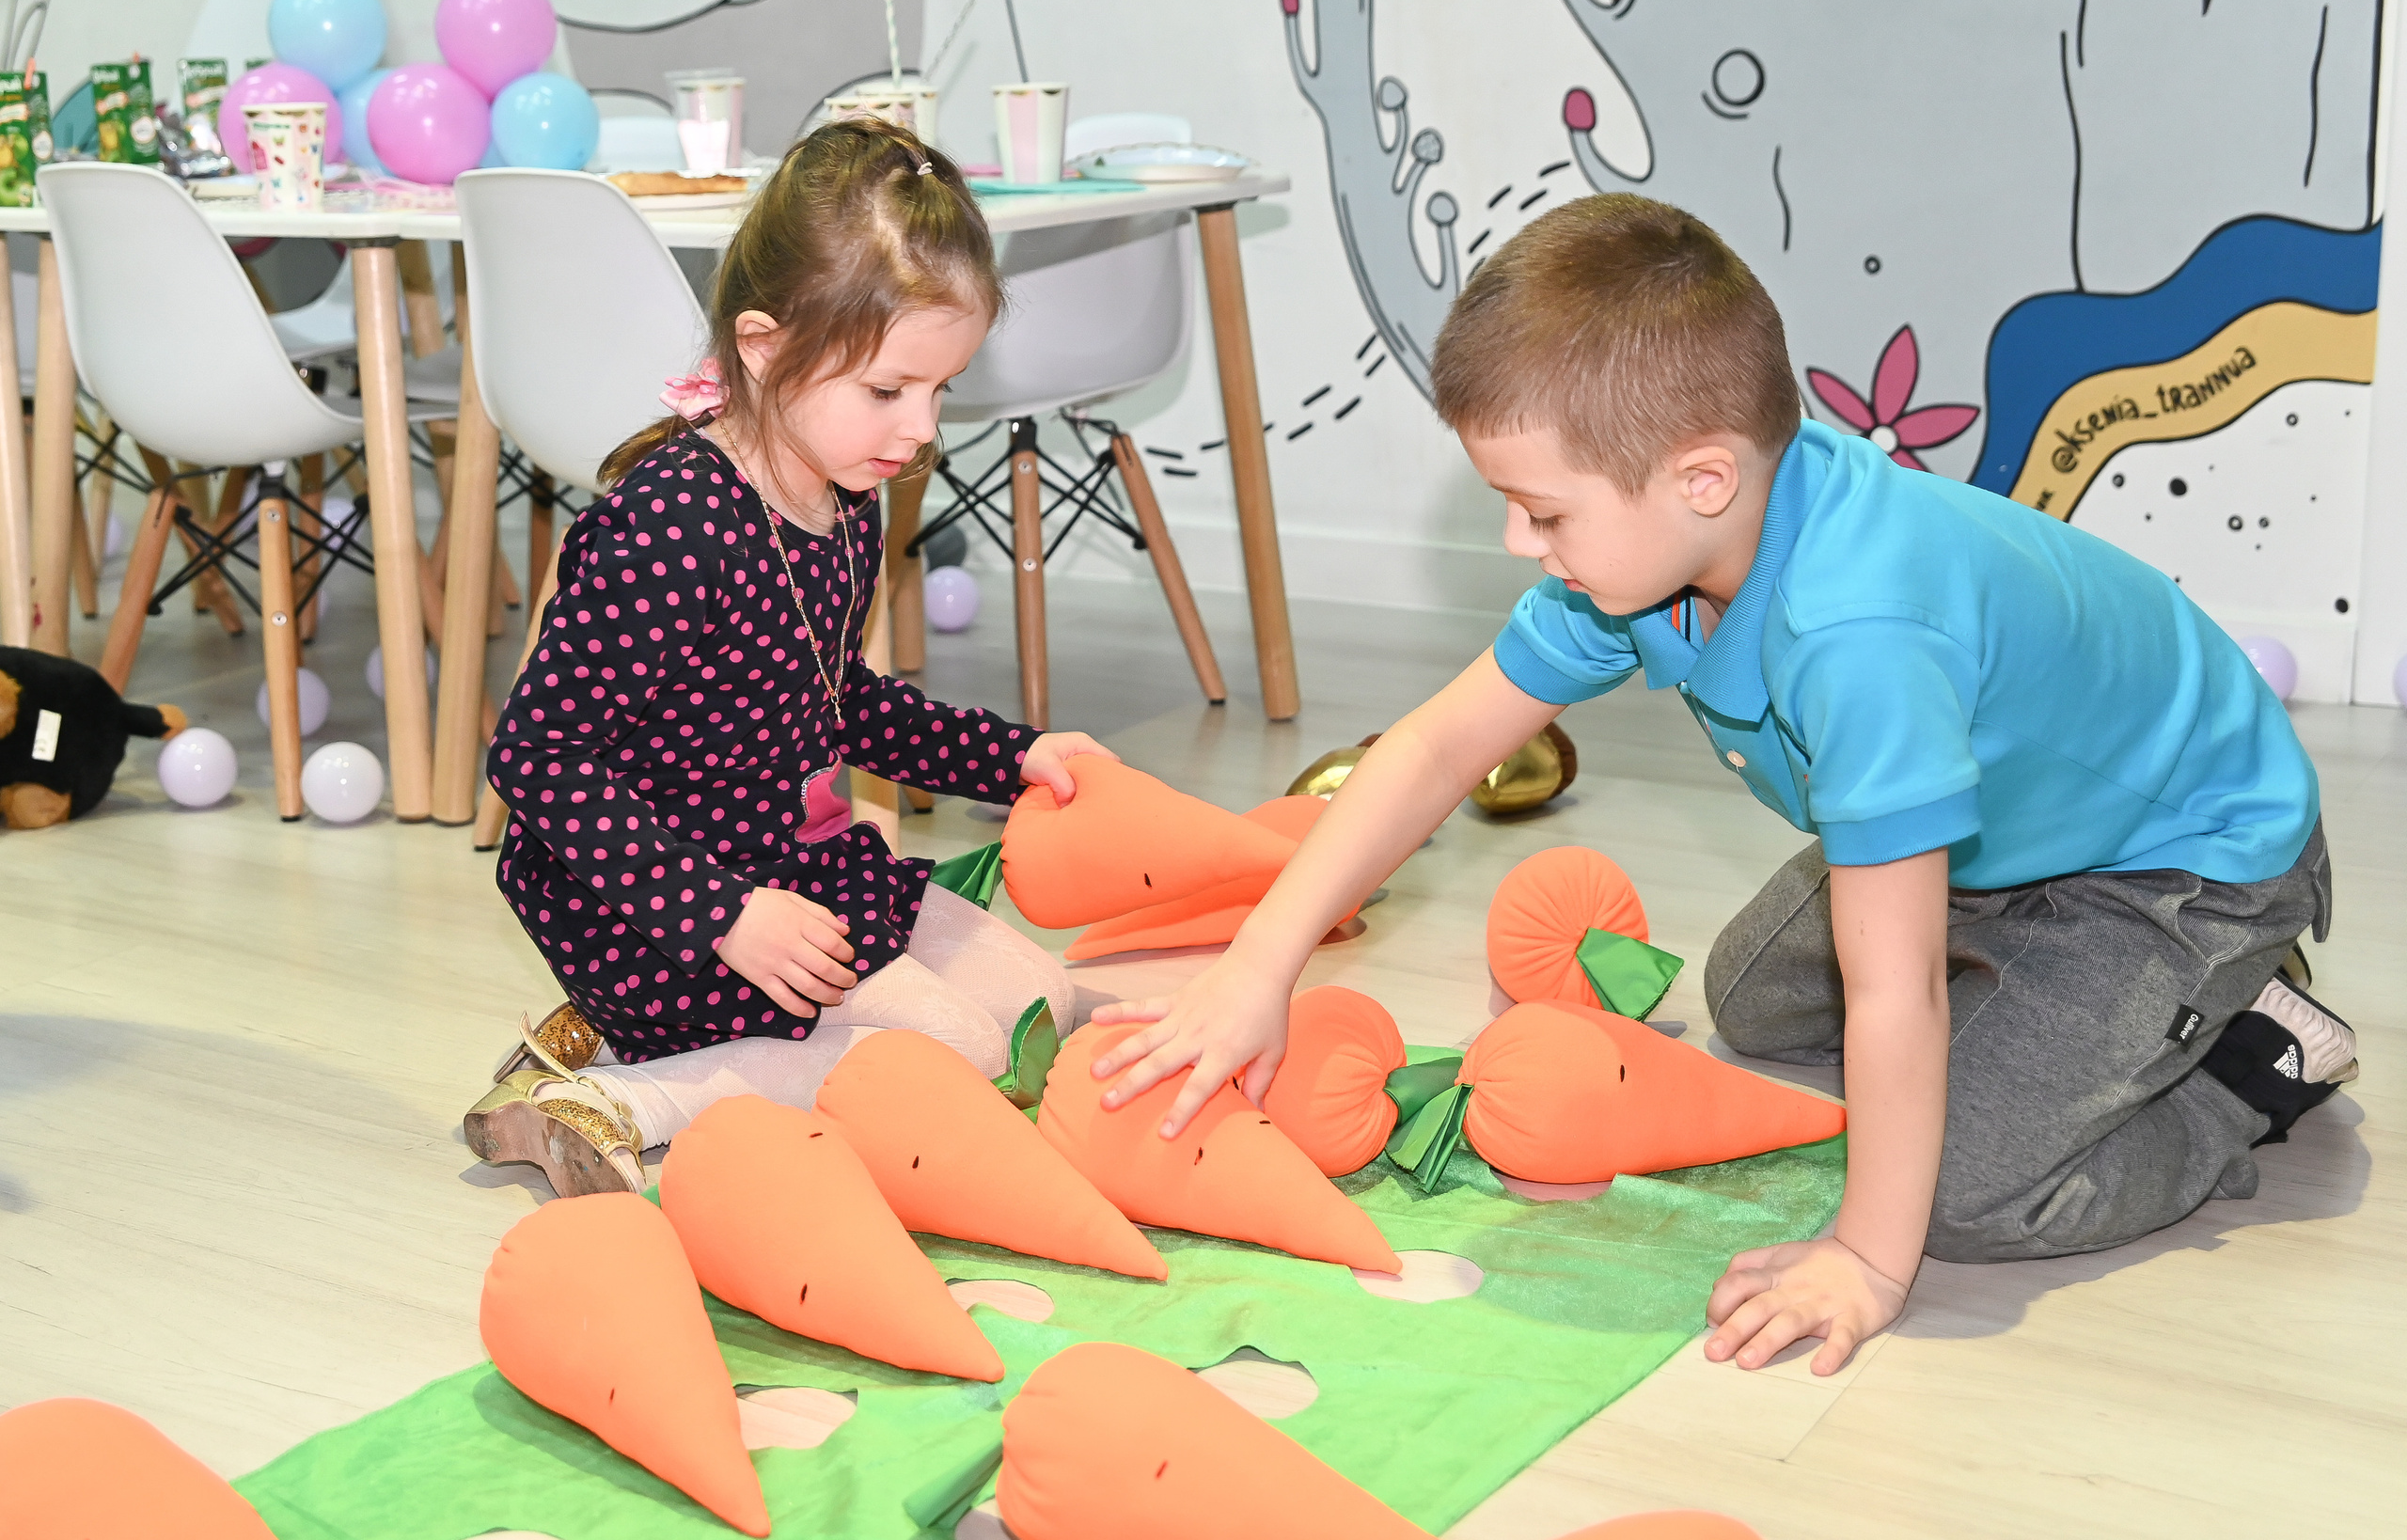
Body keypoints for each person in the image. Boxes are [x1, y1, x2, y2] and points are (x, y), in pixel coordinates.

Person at [1087, 194, 2356, 1375]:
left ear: (1702, 477)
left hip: (2180, 863)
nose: (1519, 546)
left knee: (1959, 1194)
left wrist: (1867, 1259)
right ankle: (2064, 1014)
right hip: (1999, 835)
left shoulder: (1861, 637)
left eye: (1543, 513)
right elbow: (1426, 752)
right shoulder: (1664, 549)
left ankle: (2243, 1065)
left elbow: (1896, 985)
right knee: (1753, 1002)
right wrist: (1259, 967)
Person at [464, 116, 1109, 1198]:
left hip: (781, 857)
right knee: (957, 1053)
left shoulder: (843, 491)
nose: (920, 429)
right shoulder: (670, 525)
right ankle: (610, 1100)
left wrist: (1016, 755)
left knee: (1028, 1002)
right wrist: (722, 915)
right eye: (888, 391)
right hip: (650, 897)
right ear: (763, 348)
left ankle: (635, 1054)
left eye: (941, 390)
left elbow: (835, 700)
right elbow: (537, 760)